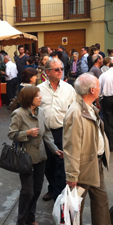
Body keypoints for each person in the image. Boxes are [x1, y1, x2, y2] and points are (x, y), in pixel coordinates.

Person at [63, 73, 113, 225]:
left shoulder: (88, 107)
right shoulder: (76, 112)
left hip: (95, 163)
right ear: (92, 90)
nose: (100, 89)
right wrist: (72, 175)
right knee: (76, 203)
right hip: (83, 166)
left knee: (101, 201)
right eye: (98, 86)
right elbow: (72, 147)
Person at [8, 85, 63, 225]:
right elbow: (11, 134)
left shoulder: (42, 112)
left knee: (37, 189)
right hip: (25, 157)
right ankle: (21, 221)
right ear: (29, 99)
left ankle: (30, 218)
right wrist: (27, 133)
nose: (41, 98)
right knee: (27, 191)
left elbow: (47, 134)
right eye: (38, 96)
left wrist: (54, 149)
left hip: (41, 156)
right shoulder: (18, 114)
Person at [38, 59, 76, 201]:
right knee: (48, 163)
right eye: (56, 69)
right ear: (47, 72)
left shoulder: (69, 89)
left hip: (62, 131)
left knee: (61, 163)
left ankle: (58, 194)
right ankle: (52, 188)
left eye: (61, 68)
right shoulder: (39, 89)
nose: (60, 71)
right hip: (45, 133)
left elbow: (74, 110)